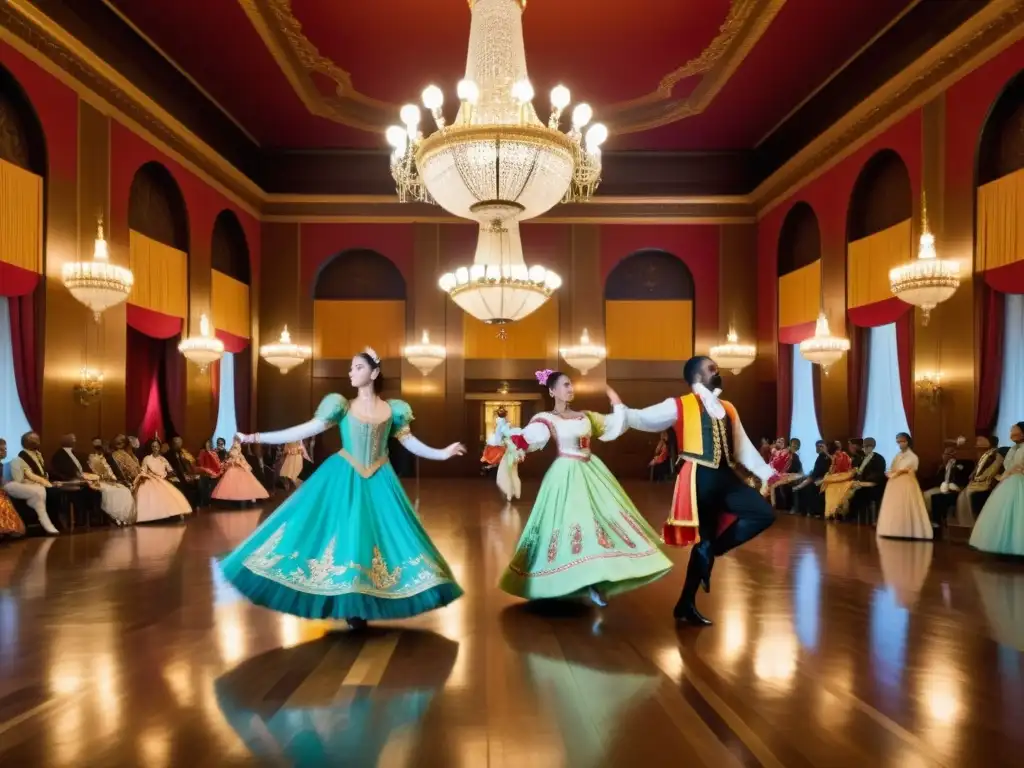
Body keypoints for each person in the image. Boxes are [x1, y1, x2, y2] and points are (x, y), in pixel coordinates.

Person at [221, 348, 466, 629]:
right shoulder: (341, 406)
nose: (351, 372)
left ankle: (368, 598)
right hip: (344, 475)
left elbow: (411, 444)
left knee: (382, 538)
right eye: (351, 368)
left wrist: (442, 453)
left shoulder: (394, 410)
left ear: (374, 373)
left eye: (358, 367)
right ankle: (352, 605)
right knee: (346, 536)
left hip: (380, 480)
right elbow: (303, 430)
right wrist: (255, 436)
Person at [488, 370, 672, 607]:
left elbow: (614, 425)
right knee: (573, 526)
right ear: (552, 390)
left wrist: (616, 403)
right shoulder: (546, 419)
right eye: (565, 385)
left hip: (592, 471)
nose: (570, 389)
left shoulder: (586, 417)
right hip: (565, 474)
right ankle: (570, 581)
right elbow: (527, 440)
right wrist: (505, 435)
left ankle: (597, 579)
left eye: (571, 385)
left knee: (603, 522)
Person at [624, 355, 777, 626]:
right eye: (711, 369)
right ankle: (686, 604)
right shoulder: (679, 405)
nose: (717, 372)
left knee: (762, 513)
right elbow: (643, 418)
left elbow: (742, 446)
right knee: (702, 540)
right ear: (697, 376)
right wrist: (619, 412)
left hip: (726, 476)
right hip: (698, 477)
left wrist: (767, 472)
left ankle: (712, 551)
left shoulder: (728, 407)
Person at [969, 422, 1024, 556]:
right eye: (1011, 431)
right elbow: (1008, 466)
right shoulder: (1012, 449)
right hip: (1009, 481)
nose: (1012, 434)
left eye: (1015, 431)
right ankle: (1006, 546)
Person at [876, 432, 932, 540]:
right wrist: (891, 473)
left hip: (907, 482)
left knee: (907, 504)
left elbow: (909, 468)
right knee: (895, 505)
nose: (900, 444)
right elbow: (894, 467)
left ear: (907, 442)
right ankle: (892, 530)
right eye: (898, 442)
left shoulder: (913, 456)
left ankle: (908, 530)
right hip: (895, 483)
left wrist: (897, 472)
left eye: (902, 441)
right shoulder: (898, 455)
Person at [3, 432, 59, 534]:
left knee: (55, 491)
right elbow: (18, 480)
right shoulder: (19, 459)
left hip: (39, 485)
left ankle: (52, 523)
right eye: (34, 439)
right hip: (27, 487)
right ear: (26, 442)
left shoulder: (39, 455)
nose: (38, 441)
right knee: (51, 493)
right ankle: (47, 523)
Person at [135, 439, 193, 523]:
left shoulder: (162, 459)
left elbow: (170, 470)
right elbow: (143, 470)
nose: (155, 448)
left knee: (170, 491)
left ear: (159, 447)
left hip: (163, 479)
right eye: (153, 446)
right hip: (151, 479)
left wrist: (169, 475)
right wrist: (147, 476)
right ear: (150, 448)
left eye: (157, 446)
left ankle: (170, 514)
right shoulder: (147, 459)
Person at [954, 435, 1003, 526]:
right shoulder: (984, 455)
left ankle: (972, 523)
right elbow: (977, 469)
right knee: (962, 495)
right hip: (978, 481)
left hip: (987, 483)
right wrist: (974, 475)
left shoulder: (995, 456)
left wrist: (980, 478)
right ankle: (965, 523)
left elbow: (991, 471)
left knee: (969, 494)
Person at [922, 438, 971, 525]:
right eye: (944, 454)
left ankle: (937, 521)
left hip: (956, 489)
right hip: (941, 487)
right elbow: (935, 480)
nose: (945, 456)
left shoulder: (963, 464)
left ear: (954, 455)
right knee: (925, 495)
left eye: (948, 454)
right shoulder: (942, 467)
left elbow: (965, 478)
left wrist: (954, 467)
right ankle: (928, 521)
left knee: (935, 497)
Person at [86, 442, 136, 525]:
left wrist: (112, 478)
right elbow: (92, 473)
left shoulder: (105, 460)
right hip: (99, 482)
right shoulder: (92, 459)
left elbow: (110, 473)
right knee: (111, 492)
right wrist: (101, 477)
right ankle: (115, 516)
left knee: (125, 491)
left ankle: (123, 517)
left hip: (109, 482)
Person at [212, 438, 271, 504]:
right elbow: (230, 457)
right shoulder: (230, 449)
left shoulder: (237, 449)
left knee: (242, 483)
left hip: (237, 465)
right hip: (232, 466)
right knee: (232, 483)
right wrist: (229, 461)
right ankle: (234, 500)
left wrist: (236, 461)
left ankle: (246, 498)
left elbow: (238, 456)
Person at [848, 437, 887, 521]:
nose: (865, 449)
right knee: (849, 494)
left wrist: (864, 483)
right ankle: (854, 519)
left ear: (872, 447)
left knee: (859, 494)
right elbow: (857, 471)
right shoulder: (861, 458)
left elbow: (878, 476)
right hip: (862, 485)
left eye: (867, 447)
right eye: (864, 447)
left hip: (874, 486)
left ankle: (866, 520)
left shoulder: (878, 459)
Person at [793, 440, 830, 517]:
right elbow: (815, 473)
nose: (819, 448)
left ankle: (813, 511)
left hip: (825, 479)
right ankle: (803, 510)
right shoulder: (820, 457)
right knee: (801, 483)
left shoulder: (828, 457)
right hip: (816, 478)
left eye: (821, 446)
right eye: (817, 446)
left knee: (808, 487)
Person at [820, 440, 855, 520]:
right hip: (838, 478)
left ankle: (835, 512)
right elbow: (833, 468)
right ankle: (834, 512)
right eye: (837, 444)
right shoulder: (839, 455)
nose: (839, 445)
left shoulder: (843, 455)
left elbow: (844, 467)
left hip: (843, 477)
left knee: (835, 490)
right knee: (831, 489)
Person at [0, 440, 27, 538]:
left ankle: (7, 528)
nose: (3, 452)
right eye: (0, 450)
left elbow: (2, 480)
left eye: (5, 449)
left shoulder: (1, 465)